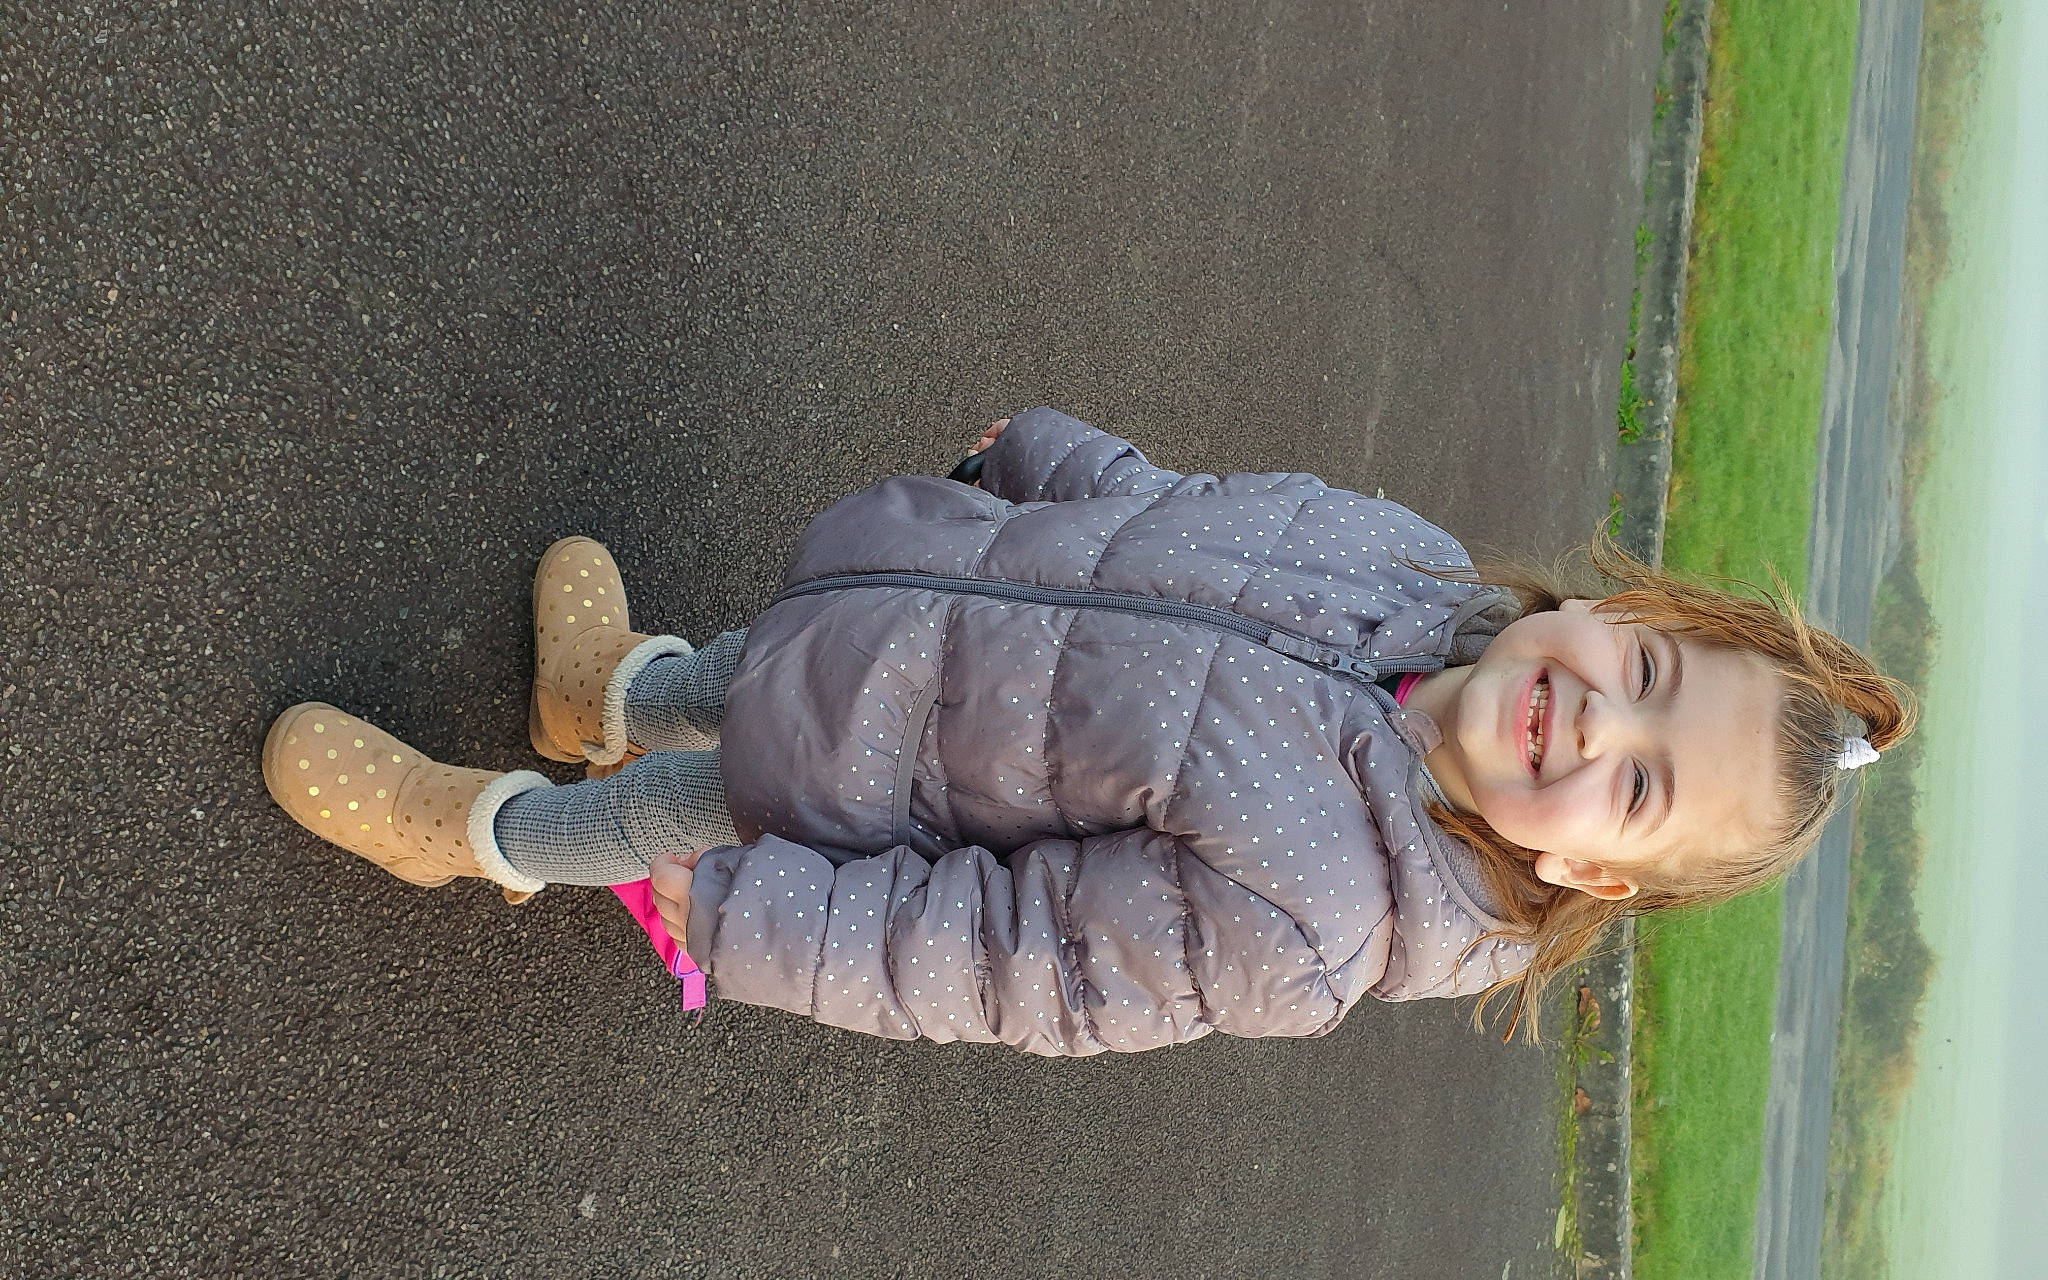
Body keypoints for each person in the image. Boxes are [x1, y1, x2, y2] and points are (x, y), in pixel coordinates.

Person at [262, 407, 1915, 1050]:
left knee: (681, 804)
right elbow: (1194, 517)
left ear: (1590, 872)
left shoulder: (1314, 918)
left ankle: (476, 834)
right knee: (735, 672)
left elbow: (1015, 961)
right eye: (1641, 669)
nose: (1593, 720)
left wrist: (775, 923)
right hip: (895, 620)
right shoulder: (1412, 567)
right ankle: (606, 691)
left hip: (854, 795)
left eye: (1639, 783)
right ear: (1621, 607)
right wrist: (1065, 464)